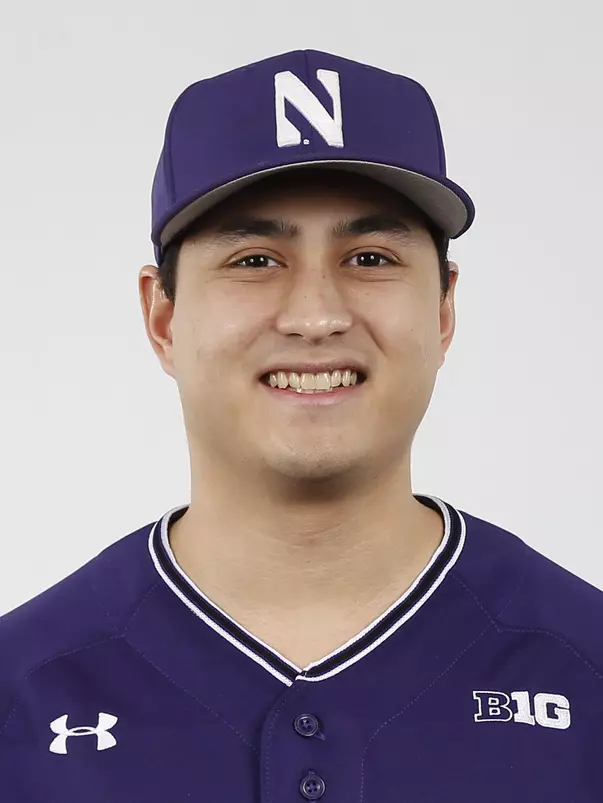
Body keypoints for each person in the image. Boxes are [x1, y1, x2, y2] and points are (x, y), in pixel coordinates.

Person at [1, 49, 602, 802]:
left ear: (444, 311)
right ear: (162, 316)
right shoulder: (20, 692)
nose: (316, 314)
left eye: (370, 256)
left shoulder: (585, 664)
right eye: (255, 259)